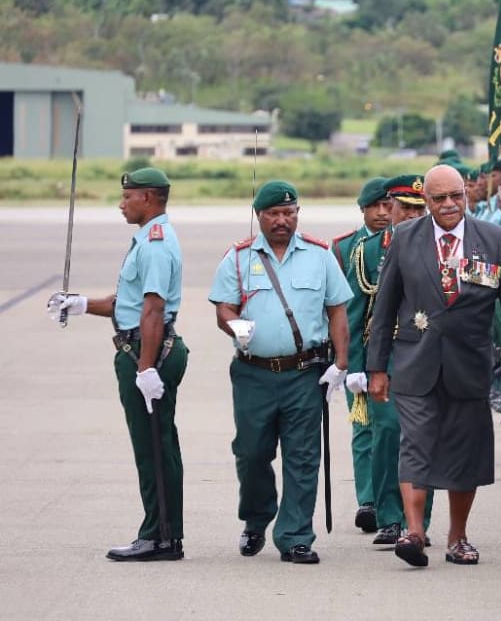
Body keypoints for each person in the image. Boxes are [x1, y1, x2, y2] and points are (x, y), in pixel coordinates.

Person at [366, 164, 501, 568]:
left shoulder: (493, 239)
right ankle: (414, 532)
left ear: (465, 195)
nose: (449, 205)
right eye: (439, 198)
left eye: (456, 196)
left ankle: (457, 537)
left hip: (469, 363)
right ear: (425, 201)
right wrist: (377, 367)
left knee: (466, 452)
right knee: (416, 442)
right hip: (415, 361)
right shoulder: (406, 238)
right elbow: (385, 306)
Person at [48, 167, 189, 561]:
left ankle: (159, 538)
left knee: (153, 448)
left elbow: (153, 310)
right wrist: (80, 304)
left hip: (147, 352)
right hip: (143, 349)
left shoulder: (156, 244)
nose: (121, 203)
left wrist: (145, 368)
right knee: (156, 443)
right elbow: (124, 303)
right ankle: (165, 533)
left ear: (148, 198)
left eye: (127, 197)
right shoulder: (146, 239)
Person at [208, 180, 352, 564]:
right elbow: (223, 306)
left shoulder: (320, 256)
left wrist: (340, 363)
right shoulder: (238, 258)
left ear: (297, 214)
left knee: (303, 456)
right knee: (252, 453)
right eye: (273, 213)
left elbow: (337, 310)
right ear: (259, 216)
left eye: (289, 213)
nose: (282, 220)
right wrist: (234, 324)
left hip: (304, 373)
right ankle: (257, 518)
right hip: (253, 374)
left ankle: (295, 536)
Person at [343, 175, 435, 544]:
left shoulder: (441, 249)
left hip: (428, 357)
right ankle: (389, 516)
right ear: (390, 208)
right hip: (386, 357)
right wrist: (354, 367)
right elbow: (354, 312)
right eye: (404, 208)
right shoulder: (368, 250)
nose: (411, 215)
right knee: (388, 434)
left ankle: (419, 523)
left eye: (418, 209)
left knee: (423, 438)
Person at [332, 176, 392, 534]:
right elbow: (345, 311)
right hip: (361, 353)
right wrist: (350, 363)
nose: (384, 213)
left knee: (393, 431)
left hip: (397, 355)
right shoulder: (344, 249)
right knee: (363, 428)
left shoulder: (404, 242)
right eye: (376, 207)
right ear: (363, 210)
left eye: (389, 206)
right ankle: (368, 499)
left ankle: (391, 502)